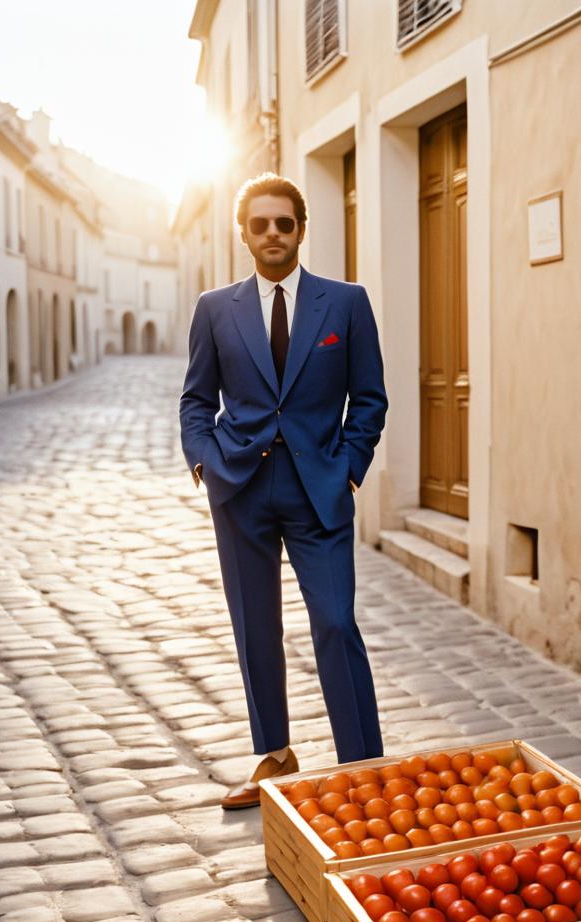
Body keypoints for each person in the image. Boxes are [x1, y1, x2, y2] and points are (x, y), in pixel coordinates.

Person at [179, 173, 388, 809]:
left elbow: (370, 397)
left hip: (319, 489)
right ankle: (274, 755)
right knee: (255, 627)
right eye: (260, 224)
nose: (273, 233)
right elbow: (195, 399)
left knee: (335, 622)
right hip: (240, 488)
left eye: (284, 223)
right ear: (242, 233)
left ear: (301, 228)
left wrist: (349, 466)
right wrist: (206, 465)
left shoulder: (344, 303)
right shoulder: (216, 308)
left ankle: (363, 768)